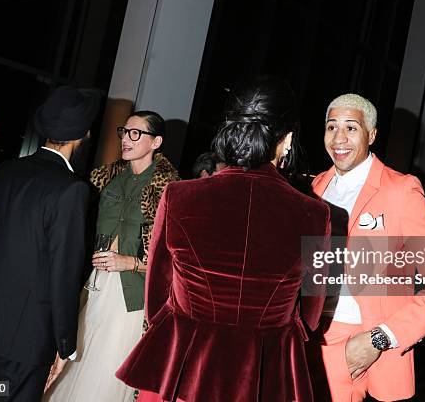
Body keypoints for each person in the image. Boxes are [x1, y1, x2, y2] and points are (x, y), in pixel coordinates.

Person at [115, 76, 331, 401]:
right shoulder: (315, 214)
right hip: (263, 371)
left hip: (184, 364)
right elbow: (311, 317)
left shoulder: (179, 196)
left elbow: (157, 300)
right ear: (287, 139)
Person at [309, 93, 425, 401]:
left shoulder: (400, 191)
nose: (338, 138)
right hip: (308, 333)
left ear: (372, 134)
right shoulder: (317, 186)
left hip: (352, 340)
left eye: (351, 128)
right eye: (331, 127)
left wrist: (379, 338)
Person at [0, 86, 96, 402]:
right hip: (28, 335)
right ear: (81, 136)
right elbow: (64, 271)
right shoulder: (71, 189)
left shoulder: (7, 170)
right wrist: (65, 343)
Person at [43, 111, 180, 402]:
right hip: (95, 283)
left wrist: (131, 263)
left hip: (133, 294)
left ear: (156, 142)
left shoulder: (171, 190)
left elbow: (176, 257)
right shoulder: (106, 177)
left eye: (135, 133)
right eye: (124, 131)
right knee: (78, 355)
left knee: (106, 366)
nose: (126, 139)